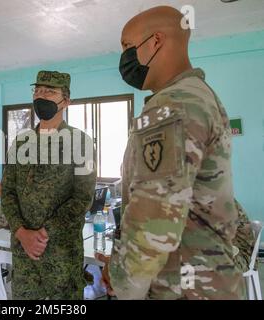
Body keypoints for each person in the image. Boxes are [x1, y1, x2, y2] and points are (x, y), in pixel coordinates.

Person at [100, 6, 246, 300]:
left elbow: (154, 218)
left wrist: (123, 282)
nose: (124, 57)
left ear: (155, 42)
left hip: (182, 286)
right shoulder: (196, 95)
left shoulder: (174, 103)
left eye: (127, 46)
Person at [2, 71, 97, 300]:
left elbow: (82, 198)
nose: (40, 96)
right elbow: (7, 192)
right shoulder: (21, 142)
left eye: (50, 91)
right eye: (37, 90)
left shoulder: (80, 142)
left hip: (61, 256)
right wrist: (22, 233)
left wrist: (43, 235)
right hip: (25, 257)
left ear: (66, 101)